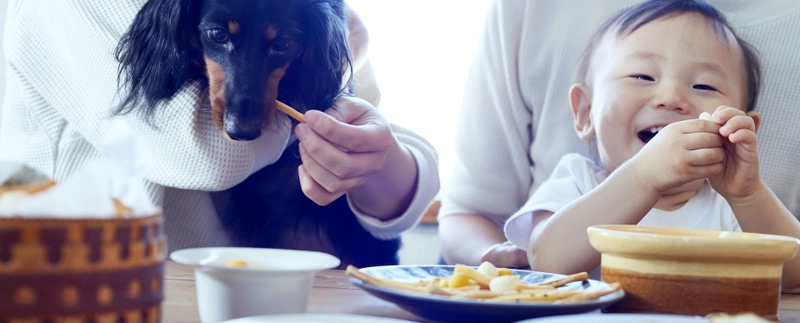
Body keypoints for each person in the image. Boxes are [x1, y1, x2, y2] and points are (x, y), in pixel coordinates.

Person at [0, 0, 439, 252]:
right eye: (218, 37)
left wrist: (369, 147)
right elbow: (210, 153)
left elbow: (376, 140)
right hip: (95, 281)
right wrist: (333, 74)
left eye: (283, 45)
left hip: (269, 275)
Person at [438, 0, 800, 269]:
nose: (672, 98)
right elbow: (546, 260)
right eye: (643, 76)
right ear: (584, 113)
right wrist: (644, 175)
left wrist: (749, 195)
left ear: (743, 127)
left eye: (704, 85)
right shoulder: (577, 183)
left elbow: (792, 275)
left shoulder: (730, 208)